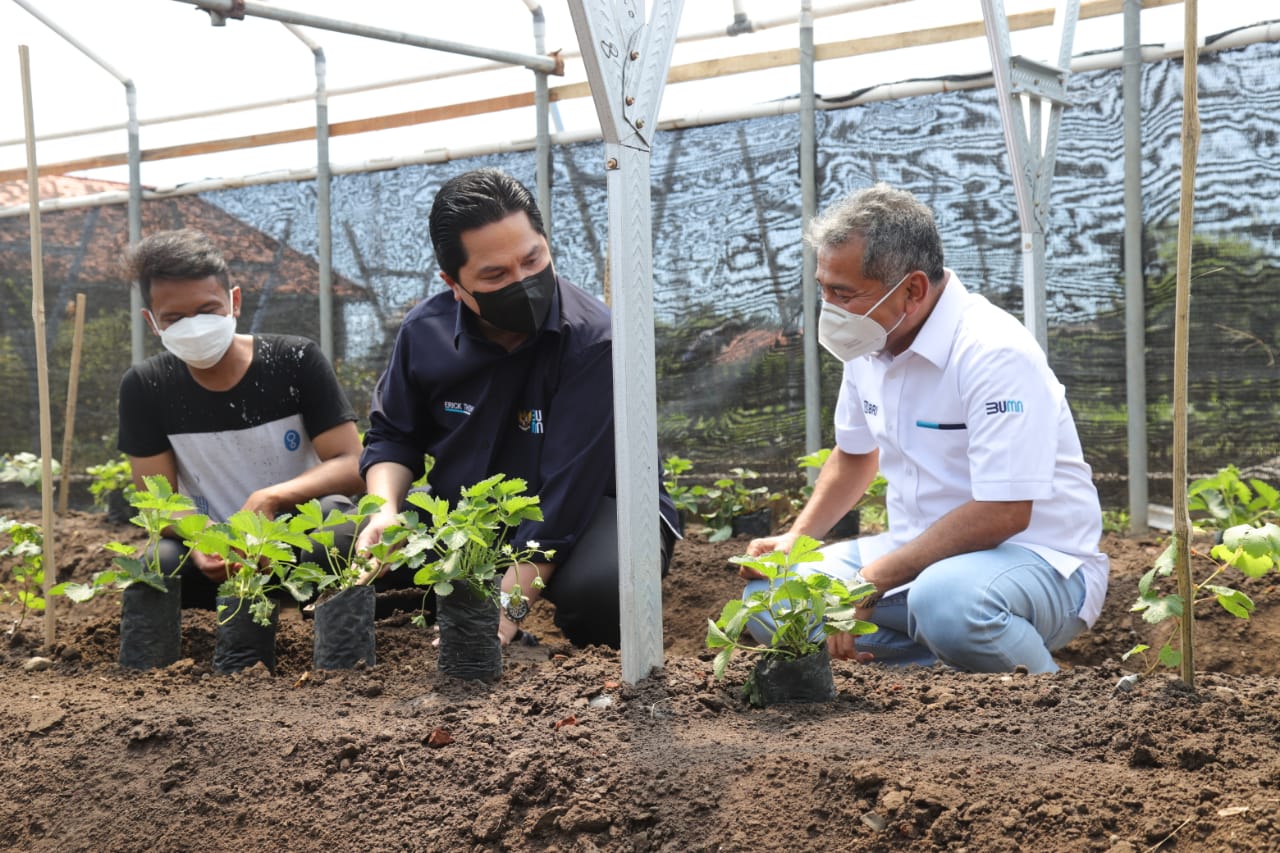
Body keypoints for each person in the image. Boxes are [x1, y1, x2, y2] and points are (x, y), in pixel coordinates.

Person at [743, 183, 1109, 674]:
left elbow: (1005, 512)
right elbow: (854, 455)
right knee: (773, 599)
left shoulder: (992, 351)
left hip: (1039, 560)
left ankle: (1054, 708)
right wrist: (798, 537)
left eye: (843, 293)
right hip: (916, 553)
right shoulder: (869, 342)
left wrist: (872, 580)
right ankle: (941, 677)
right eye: (823, 289)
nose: (827, 309)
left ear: (912, 289)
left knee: (949, 604)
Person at [356, 168, 679, 648]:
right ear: (454, 282)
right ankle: (436, 610)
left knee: (606, 587)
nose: (523, 281)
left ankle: (577, 661)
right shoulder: (425, 333)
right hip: (469, 516)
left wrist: (502, 613)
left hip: (597, 509)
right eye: (495, 275)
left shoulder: (595, 341)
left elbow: (565, 498)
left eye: (533, 259)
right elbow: (393, 436)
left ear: (546, 243)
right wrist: (383, 511)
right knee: (338, 548)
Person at [117, 228, 364, 609]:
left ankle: (326, 636)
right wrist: (203, 539)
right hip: (217, 545)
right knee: (157, 565)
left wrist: (274, 497)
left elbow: (351, 463)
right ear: (152, 322)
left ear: (234, 302)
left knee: (332, 539)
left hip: (297, 533)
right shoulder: (146, 386)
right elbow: (156, 501)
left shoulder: (295, 361)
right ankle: (153, 667)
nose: (194, 326)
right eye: (175, 318)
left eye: (207, 310)